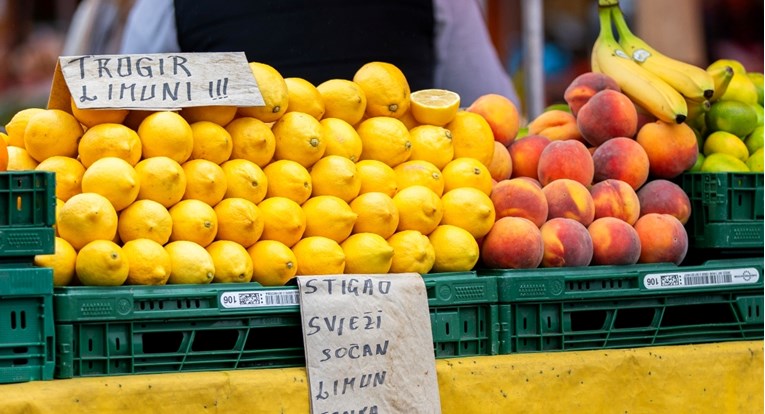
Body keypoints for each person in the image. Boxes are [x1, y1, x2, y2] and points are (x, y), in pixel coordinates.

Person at [118, 0, 520, 107]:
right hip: (398, 223)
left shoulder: (164, 4)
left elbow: (126, 95)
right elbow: (493, 106)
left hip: (231, 229)